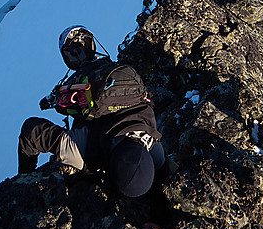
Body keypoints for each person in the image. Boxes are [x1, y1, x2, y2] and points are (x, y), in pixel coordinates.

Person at [18, 26, 165, 197]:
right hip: (127, 133)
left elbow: (32, 131)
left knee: (33, 131)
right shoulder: (155, 155)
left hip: (97, 143)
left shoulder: (154, 147)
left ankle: (23, 182)